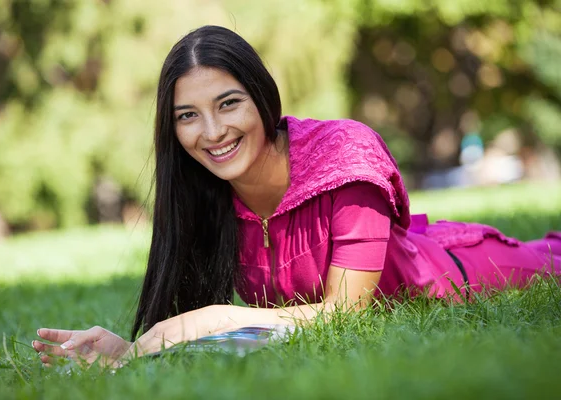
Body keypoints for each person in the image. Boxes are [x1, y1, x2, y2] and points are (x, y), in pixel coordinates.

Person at [32, 25, 561, 367]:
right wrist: (128, 354)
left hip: (464, 275)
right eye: (187, 116)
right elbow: (255, 335)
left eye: (228, 103)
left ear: (262, 97)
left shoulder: (344, 156)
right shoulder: (203, 193)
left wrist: (218, 317)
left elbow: (343, 317)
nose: (211, 132)